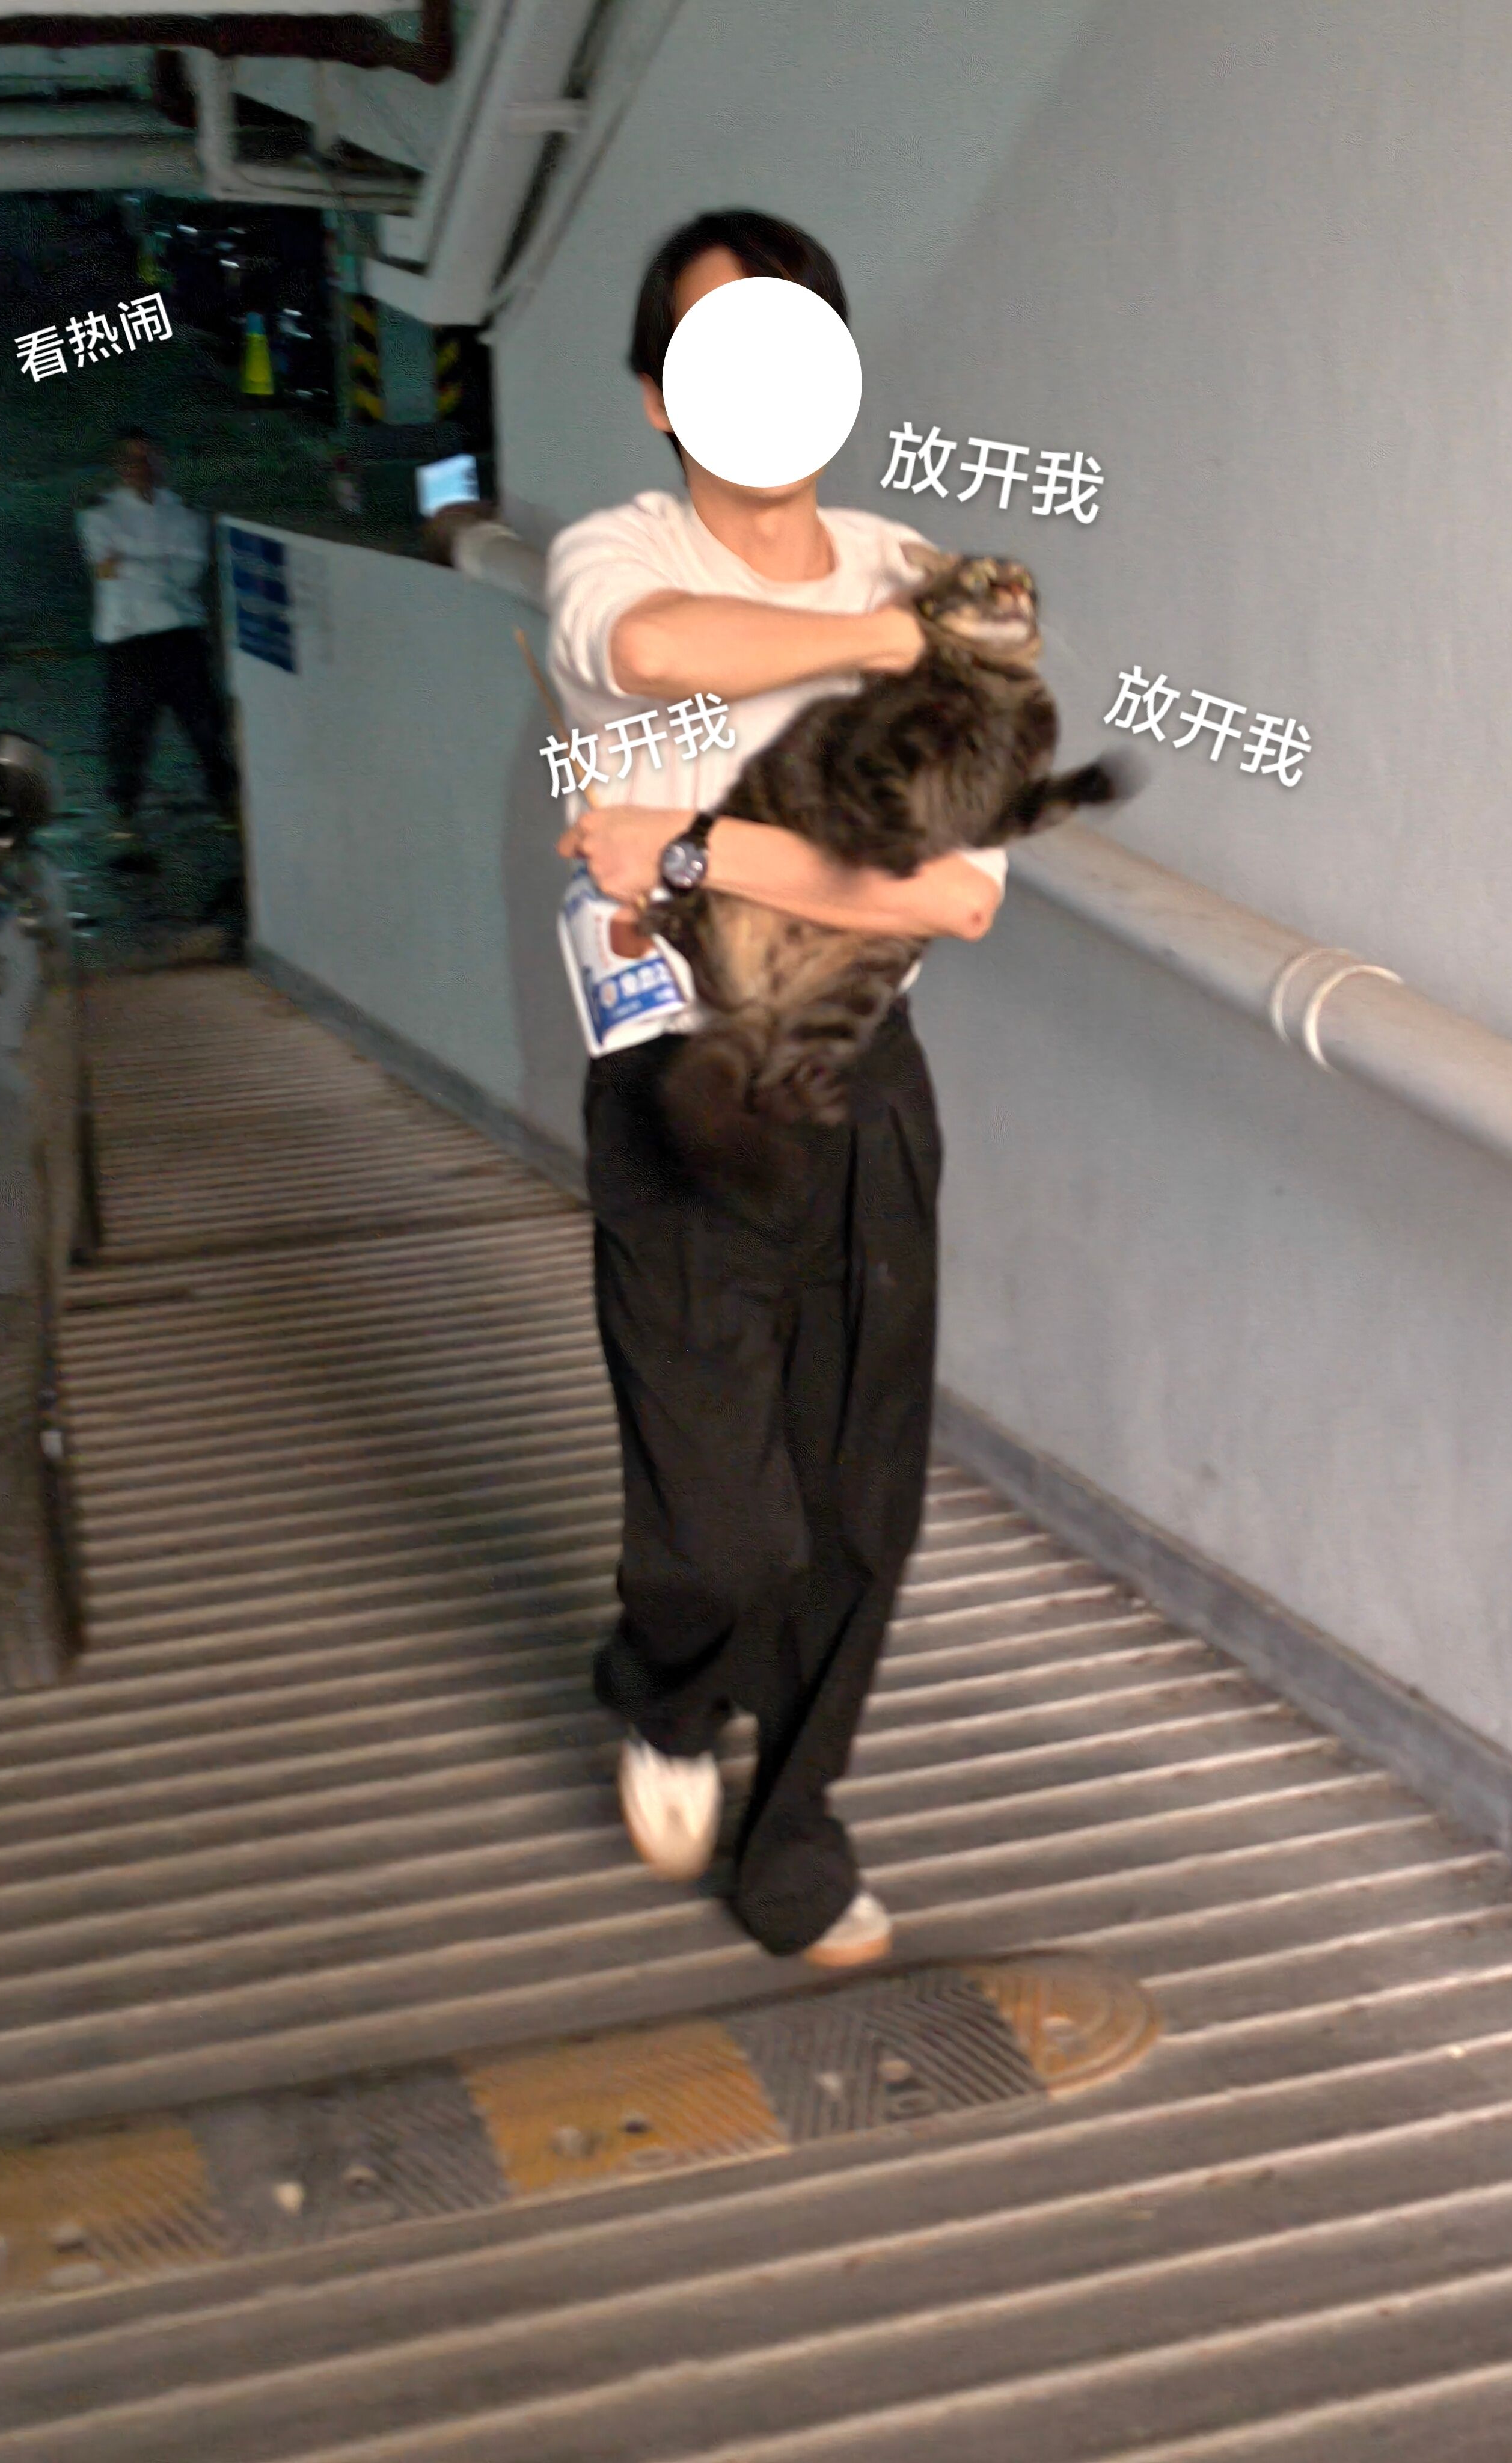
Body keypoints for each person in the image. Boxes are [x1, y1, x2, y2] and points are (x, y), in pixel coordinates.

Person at [543, 209, 1007, 1968]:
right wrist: (885, 653)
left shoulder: (920, 569)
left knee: (855, 1506)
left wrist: (693, 847)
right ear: (659, 396)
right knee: (720, 1526)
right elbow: (655, 652)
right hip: (678, 1082)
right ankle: (668, 1690)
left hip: (861, 1084)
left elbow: (949, 891)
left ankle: (795, 1835)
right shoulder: (617, 554)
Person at [76, 427, 239, 873]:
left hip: (180, 636)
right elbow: (107, 570)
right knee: (129, 733)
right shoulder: (99, 515)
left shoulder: (183, 513)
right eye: (131, 460)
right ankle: (126, 813)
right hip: (129, 641)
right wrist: (161, 562)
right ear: (118, 467)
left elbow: (189, 573)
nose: (141, 468)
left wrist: (133, 562)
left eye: (148, 458)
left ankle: (226, 800)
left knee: (206, 727)